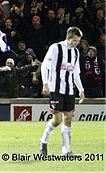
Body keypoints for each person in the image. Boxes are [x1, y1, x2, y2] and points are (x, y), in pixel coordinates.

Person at [39, 27, 85, 156]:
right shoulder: (55, 48)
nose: (76, 43)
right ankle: (43, 141)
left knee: (68, 119)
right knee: (57, 119)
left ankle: (66, 150)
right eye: (75, 40)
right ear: (68, 38)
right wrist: (45, 83)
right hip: (55, 88)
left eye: (78, 41)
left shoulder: (75, 52)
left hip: (69, 90)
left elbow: (76, 72)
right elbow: (45, 66)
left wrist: (81, 89)